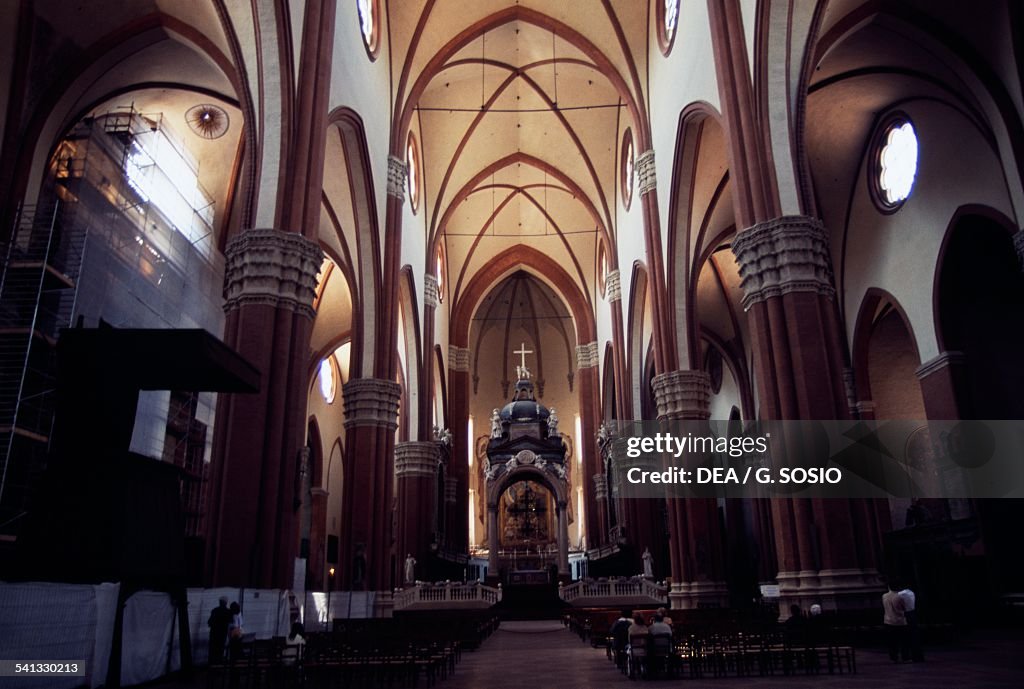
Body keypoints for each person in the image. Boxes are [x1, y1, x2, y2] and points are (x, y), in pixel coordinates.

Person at [882, 584, 908, 662]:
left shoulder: (884, 596)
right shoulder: (901, 596)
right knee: (904, 642)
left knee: (892, 642)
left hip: (888, 621)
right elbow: (905, 608)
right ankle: (905, 657)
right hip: (900, 621)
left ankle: (894, 657)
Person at [898, 582, 924, 662]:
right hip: (912, 613)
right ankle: (918, 656)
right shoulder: (911, 593)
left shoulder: (901, 594)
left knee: (905, 637)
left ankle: (906, 656)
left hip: (905, 614)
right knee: (915, 636)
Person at [207, 597, 231, 664]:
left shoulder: (214, 610)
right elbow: (230, 622)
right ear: (226, 603)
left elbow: (209, 622)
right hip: (222, 634)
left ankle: (211, 664)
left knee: (212, 650)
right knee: (220, 649)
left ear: (220, 602)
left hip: (213, 634)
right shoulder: (228, 612)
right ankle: (219, 664)